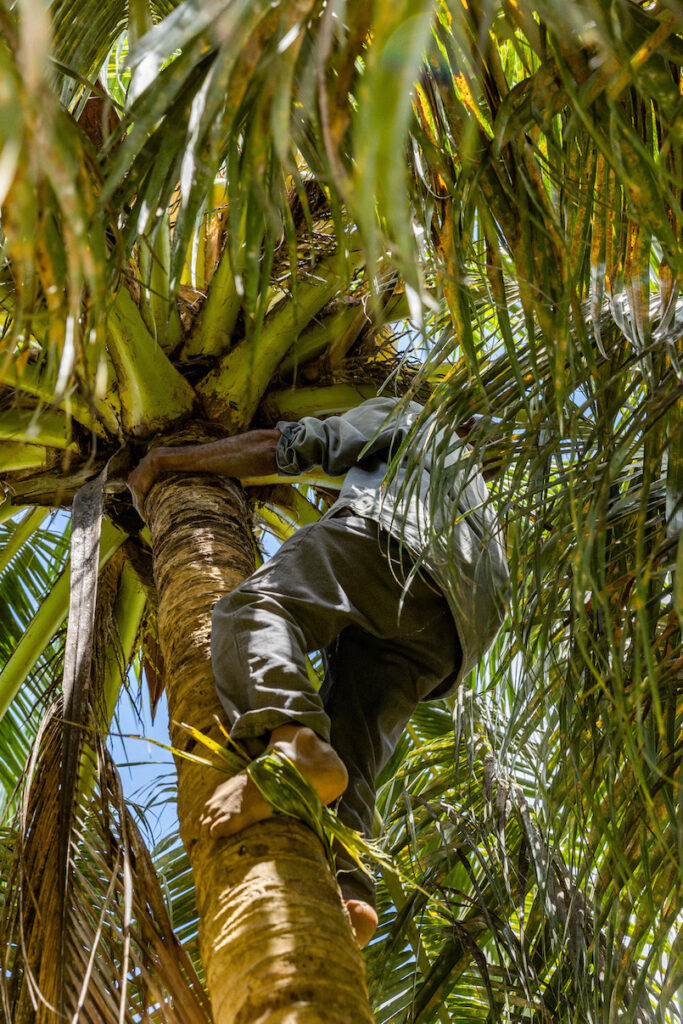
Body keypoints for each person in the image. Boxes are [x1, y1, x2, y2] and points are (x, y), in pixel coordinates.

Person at [128, 395, 509, 946]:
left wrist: (168, 463)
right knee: (352, 736)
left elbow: (286, 447)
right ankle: (351, 892)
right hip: (458, 631)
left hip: (395, 542)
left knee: (253, 609)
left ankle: (292, 744)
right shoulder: (475, 493)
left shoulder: (410, 415)